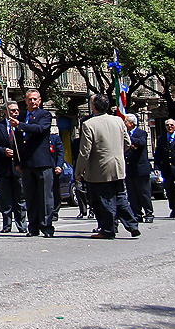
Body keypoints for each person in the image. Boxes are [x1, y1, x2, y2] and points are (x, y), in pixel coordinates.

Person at [75, 93, 141, 239]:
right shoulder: (118, 120)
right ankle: (132, 225)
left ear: (93, 107)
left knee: (104, 200)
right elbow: (128, 143)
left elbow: (85, 151)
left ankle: (108, 229)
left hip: (99, 169)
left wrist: (78, 171)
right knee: (120, 196)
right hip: (118, 166)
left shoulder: (89, 124)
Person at [15, 89, 55, 238]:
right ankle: (33, 227)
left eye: (35, 99)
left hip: (42, 162)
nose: (33, 102)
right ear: (25, 101)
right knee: (30, 196)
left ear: (40, 100)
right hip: (27, 163)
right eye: (30, 99)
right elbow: (18, 142)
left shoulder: (44, 115)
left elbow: (39, 129)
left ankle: (46, 226)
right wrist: (17, 161)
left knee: (45, 197)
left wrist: (21, 125)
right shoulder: (22, 117)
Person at [0, 101, 27, 233]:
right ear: (6, 113)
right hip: (4, 168)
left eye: (17, 110)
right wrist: (3, 150)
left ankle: (22, 225)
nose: (15, 113)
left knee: (20, 198)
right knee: (5, 199)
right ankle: (7, 225)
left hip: (18, 168)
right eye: (12, 110)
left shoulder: (22, 126)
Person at [124, 113, 155, 222]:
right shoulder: (124, 134)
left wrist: (129, 138)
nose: (124, 123)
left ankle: (149, 213)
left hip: (141, 169)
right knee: (132, 194)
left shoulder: (141, 133)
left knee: (144, 193)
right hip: (129, 169)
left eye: (126, 121)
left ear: (132, 123)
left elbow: (141, 143)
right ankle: (137, 214)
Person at [155, 118, 175, 219]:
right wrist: (157, 167)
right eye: (168, 125)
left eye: (172, 125)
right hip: (167, 169)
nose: (170, 127)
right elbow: (158, 154)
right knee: (170, 191)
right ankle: (174, 209)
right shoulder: (161, 138)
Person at [49, 126, 65, 222]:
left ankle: (54, 212)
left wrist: (59, 166)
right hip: (41, 169)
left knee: (54, 191)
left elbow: (60, 153)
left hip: (53, 169)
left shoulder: (54, 138)